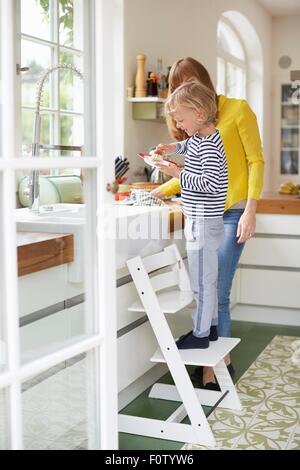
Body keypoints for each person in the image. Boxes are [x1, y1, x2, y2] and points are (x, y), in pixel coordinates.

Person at [152, 58, 264, 385]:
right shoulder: (194, 127)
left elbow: (255, 160)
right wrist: (159, 189)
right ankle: (214, 360)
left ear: (205, 84)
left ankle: (215, 367)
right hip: (206, 211)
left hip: (233, 212)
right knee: (207, 288)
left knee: (218, 289)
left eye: (191, 84)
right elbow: (196, 172)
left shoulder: (237, 109)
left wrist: (251, 209)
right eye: (179, 87)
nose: (186, 91)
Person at [154, 80, 228, 349]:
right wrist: (172, 148)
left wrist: (177, 173)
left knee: (201, 281)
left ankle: (199, 336)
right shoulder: (203, 137)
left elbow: (207, 183)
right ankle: (211, 329)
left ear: (199, 112)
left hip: (202, 221)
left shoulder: (208, 146)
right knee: (208, 279)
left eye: (181, 120)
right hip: (207, 220)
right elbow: (189, 147)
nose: (180, 126)